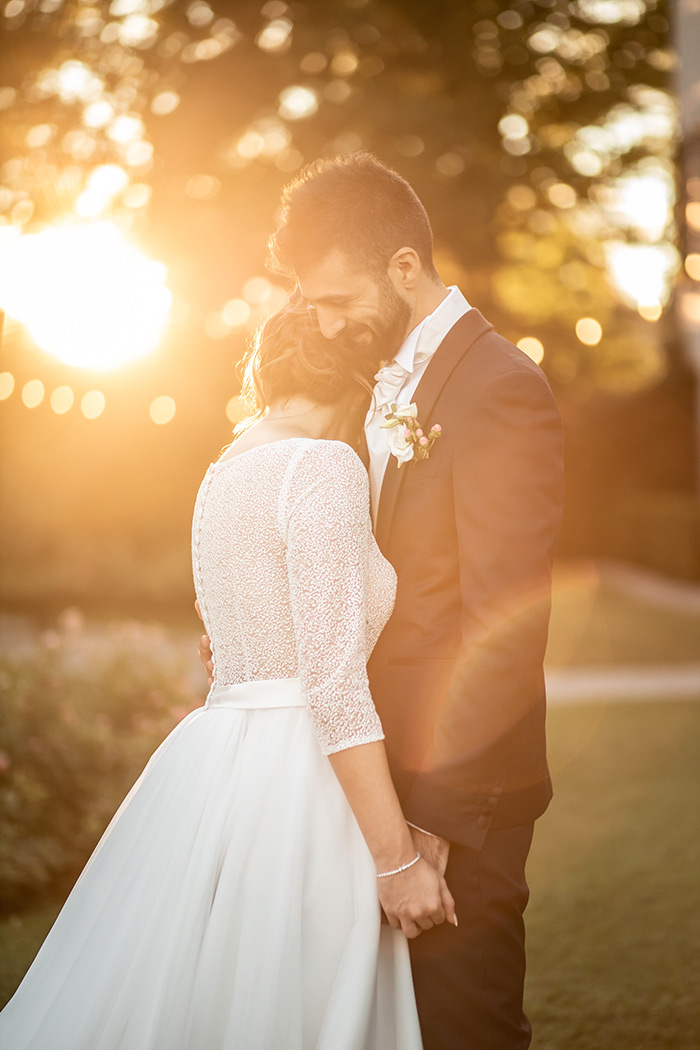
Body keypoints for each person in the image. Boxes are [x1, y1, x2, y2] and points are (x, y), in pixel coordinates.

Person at [0, 300, 457, 1050]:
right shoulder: (323, 465)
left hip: (213, 756)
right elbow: (332, 679)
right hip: (300, 778)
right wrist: (396, 860)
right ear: (356, 378)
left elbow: (236, 637)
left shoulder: (224, 470)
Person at [199, 152, 564, 1050]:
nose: (318, 321)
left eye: (331, 298)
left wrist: (436, 820)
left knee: (462, 1024)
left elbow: (503, 626)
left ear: (405, 266)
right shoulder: (367, 384)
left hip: (459, 794)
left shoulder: (500, 388)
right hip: (360, 777)